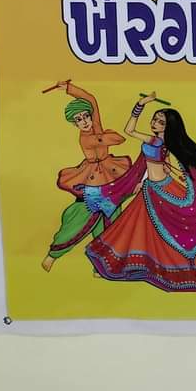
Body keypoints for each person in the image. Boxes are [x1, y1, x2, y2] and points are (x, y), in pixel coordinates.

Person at [85, 92, 196, 292]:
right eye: (155, 119)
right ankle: (142, 265)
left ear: (168, 127)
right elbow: (161, 164)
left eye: (160, 122)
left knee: (155, 229)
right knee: (140, 228)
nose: (155, 123)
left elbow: (129, 130)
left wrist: (141, 104)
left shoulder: (156, 141)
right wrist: (143, 180)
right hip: (152, 187)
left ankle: (151, 266)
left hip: (160, 189)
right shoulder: (164, 144)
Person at [41, 80, 131, 272]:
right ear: (75, 123)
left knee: (111, 222)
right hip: (93, 180)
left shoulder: (95, 126)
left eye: (86, 116)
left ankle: (101, 267)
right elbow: (117, 139)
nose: (84, 121)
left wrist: (69, 89)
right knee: (81, 218)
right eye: (79, 119)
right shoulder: (87, 138)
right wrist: (108, 135)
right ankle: (53, 255)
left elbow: (91, 100)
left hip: (110, 174)